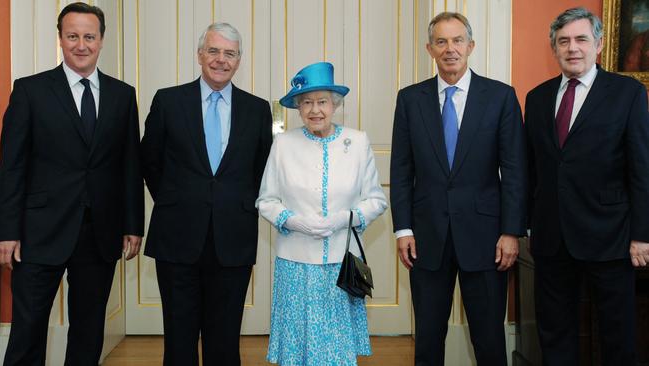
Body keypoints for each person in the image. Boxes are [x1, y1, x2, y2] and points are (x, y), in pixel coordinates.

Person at [0, 2, 144, 364]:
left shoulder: (123, 95)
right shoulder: (29, 91)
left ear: (101, 40)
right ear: (61, 39)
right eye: (73, 36)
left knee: (89, 329)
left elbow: (130, 164)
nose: (82, 44)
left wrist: (132, 224)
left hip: (99, 233)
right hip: (37, 232)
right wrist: (7, 231)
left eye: (89, 36)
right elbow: (11, 167)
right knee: (28, 329)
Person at [390, 12, 527, 365]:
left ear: (471, 46)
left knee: (489, 339)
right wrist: (403, 229)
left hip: (487, 239)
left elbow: (514, 171)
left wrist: (511, 232)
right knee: (428, 338)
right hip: (426, 237)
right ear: (429, 49)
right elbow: (402, 170)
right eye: (441, 41)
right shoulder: (410, 99)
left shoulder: (500, 97)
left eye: (457, 41)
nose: (450, 49)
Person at [140, 22, 272, 366]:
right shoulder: (169, 101)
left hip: (233, 238)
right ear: (200, 55)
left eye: (229, 53)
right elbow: (149, 161)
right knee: (179, 337)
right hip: (177, 236)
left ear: (239, 60)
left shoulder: (257, 110)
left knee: (225, 339)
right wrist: (177, 199)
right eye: (213, 51)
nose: (220, 60)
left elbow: (263, 171)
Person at [525, 7, 649, 365]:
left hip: (610, 237)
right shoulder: (537, 98)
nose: (572, 48)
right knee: (555, 333)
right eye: (563, 41)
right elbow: (532, 167)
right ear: (554, 48)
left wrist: (642, 234)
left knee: (616, 335)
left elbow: (641, 169)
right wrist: (527, 224)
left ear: (598, 45)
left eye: (581, 39)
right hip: (551, 239)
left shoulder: (627, 93)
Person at [256, 61, 388, 365]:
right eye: (307, 103)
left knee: (337, 350)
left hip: (342, 264)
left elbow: (376, 200)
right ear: (298, 108)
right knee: (297, 348)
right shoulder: (283, 145)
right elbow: (266, 200)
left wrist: (345, 218)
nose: (315, 110)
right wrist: (294, 220)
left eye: (322, 102)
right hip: (296, 263)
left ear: (335, 104)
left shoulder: (357, 142)